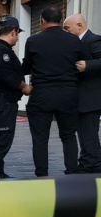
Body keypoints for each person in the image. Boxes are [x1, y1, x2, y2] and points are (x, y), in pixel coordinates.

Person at [22, 6, 82, 177]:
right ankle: (72, 172)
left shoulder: (33, 41)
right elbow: (80, 64)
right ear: (61, 20)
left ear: (42, 20)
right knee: (69, 136)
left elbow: (26, 67)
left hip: (42, 94)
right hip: (68, 94)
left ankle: (42, 175)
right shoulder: (74, 40)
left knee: (40, 139)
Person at [0, 16, 31, 180]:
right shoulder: (2, 51)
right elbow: (7, 76)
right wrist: (25, 87)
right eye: (17, 35)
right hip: (2, 104)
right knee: (1, 140)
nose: (17, 39)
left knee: (0, 139)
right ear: (13, 31)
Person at [63, 14, 101, 173]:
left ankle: (92, 164)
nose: (65, 32)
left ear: (79, 25)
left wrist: (88, 65)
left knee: (88, 132)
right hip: (81, 98)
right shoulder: (74, 43)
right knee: (84, 132)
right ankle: (87, 161)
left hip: (91, 98)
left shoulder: (94, 40)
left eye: (67, 28)